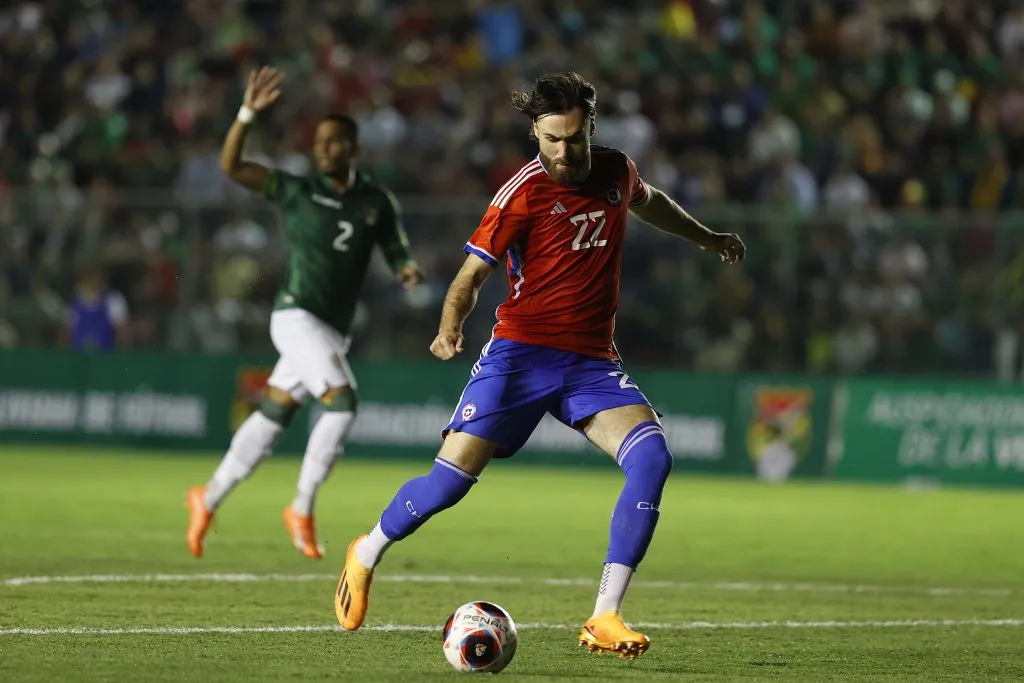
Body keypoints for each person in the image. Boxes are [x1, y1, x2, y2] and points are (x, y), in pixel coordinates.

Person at [333, 71, 744, 659]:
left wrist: (706, 238)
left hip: (591, 362)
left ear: (590, 130)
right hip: (519, 356)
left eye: (573, 139)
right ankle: (366, 550)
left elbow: (651, 204)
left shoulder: (617, 170)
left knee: (653, 457)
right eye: (550, 140)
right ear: (535, 133)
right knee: (448, 485)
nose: (562, 152)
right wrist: (450, 325)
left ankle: (604, 615)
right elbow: (470, 276)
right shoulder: (520, 194)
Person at [186, 67, 424, 560]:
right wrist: (247, 113)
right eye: (319, 141)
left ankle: (206, 497)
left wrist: (405, 269)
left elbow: (394, 246)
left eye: (334, 142)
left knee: (274, 413)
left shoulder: (375, 200)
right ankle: (301, 506)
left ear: (354, 148)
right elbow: (232, 166)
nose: (323, 149)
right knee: (342, 401)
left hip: (331, 332)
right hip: (295, 316)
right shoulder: (296, 191)